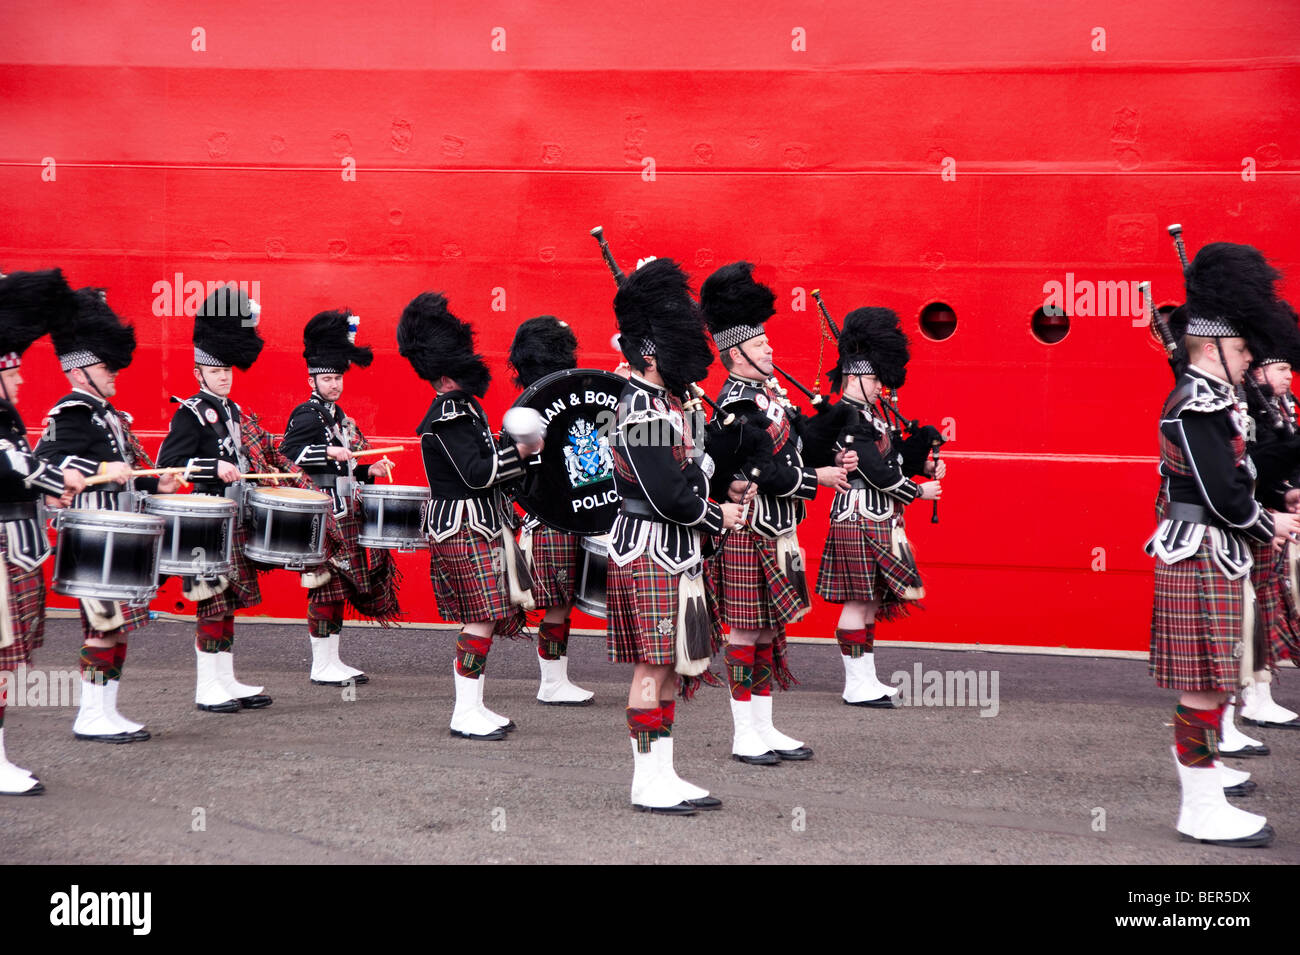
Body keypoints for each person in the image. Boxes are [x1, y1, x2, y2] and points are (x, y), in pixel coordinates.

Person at [1146, 241, 1297, 847]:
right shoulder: (1196, 403)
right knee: (1203, 683)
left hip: (1215, 548)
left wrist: (1270, 504)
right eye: (1239, 351)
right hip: (1201, 547)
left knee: (1215, 679)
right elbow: (1222, 494)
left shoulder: (1215, 400)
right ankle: (1200, 807)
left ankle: (1205, 793)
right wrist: (1269, 523)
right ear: (1210, 347)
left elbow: (1238, 479)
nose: (1247, 362)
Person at [606, 258, 742, 814]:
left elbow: (683, 473)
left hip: (671, 546)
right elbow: (665, 492)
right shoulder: (640, 404)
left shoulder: (665, 402)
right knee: (652, 665)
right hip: (650, 544)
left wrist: (705, 468)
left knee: (669, 663)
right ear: (649, 351)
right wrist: (716, 516)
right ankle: (645, 781)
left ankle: (664, 771)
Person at [700, 262, 845, 764]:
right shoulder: (736, 405)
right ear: (736, 354)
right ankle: (744, 732)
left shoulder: (767, 395)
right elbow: (763, 473)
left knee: (766, 629)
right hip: (747, 532)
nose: (771, 350)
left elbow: (792, 449)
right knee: (743, 630)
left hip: (776, 528)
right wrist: (816, 479)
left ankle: (764, 726)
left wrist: (828, 441)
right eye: (761, 346)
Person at [157, 285, 321, 714]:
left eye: (228, 370)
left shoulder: (233, 411)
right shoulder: (188, 412)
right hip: (206, 520)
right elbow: (167, 467)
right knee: (211, 602)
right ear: (199, 373)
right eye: (215, 372)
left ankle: (224, 678)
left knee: (227, 603)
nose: (225, 377)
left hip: (234, 518)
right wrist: (213, 468)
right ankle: (205, 686)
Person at [35, 286, 181, 741]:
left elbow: (122, 474)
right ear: (79, 372)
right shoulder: (72, 409)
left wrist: (155, 482)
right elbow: (47, 462)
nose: (113, 374)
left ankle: (107, 710)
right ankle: (90, 715)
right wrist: (99, 466)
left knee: (115, 626)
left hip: (114, 535)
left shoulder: (106, 414)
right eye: (104, 368)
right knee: (101, 626)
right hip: (93, 536)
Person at [397, 292, 540, 741]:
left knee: (486, 616)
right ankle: (464, 710)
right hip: (463, 524)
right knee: (480, 616)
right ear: (444, 371)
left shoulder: (466, 407)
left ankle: (474, 705)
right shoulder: (450, 411)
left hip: (479, 523)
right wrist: (520, 449)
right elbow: (478, 474)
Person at [811, 308, 941, 707]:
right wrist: (921, 492)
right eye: (873, 379)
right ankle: (855, 684)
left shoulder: (871, 414)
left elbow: (893, 459)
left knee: (868, 600)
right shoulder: (847, 417)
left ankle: (866, 679)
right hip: (859, 517)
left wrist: (923, 461)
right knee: (857, 599)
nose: (880, 386)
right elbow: (873, 471)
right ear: (853, 378)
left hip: (877, 517)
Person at [281, 309, 400, 686]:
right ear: (312, 379)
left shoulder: (341, 416)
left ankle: (332, 658)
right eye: (328, 379)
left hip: (344, 509)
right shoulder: (306, 414)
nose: (335, 385)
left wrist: (369, 471)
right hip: (323, 513)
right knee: (324, 586)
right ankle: (321, 664)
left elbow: (350, 464)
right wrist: (327, 453)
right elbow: (288, 456)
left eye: (338, 378)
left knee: (338, 588)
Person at [0, 270, 85, 792]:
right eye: (11, 375)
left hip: (18, 549)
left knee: (10, 661)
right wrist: (56, 478)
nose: (21, 381)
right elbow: (8, 465)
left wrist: (47, 487)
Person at [506, 315, 595, 705]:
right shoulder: (528, 412)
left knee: (564, 601)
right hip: (551, 517)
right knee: (556, 602)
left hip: (573, 512)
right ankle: (551, 682)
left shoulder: (534, 405)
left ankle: (556, 680)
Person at [1237, 305, 1300, 731]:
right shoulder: (1243, 406)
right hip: (1249, 521)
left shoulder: (1284, 405)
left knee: (1270, 607)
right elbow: (1244, 470)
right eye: (1280, 369)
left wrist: (1290, 493)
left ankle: (1262, 692)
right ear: (1257, 371)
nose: (1287, 377)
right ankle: (1251, 697)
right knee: (1250, 612)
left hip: (1272, 516)